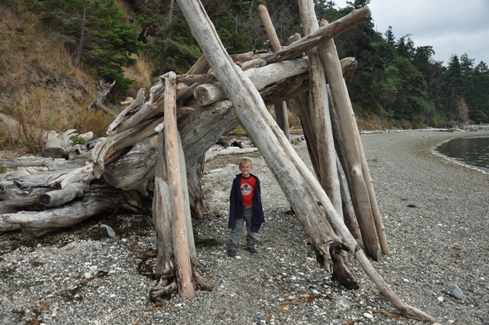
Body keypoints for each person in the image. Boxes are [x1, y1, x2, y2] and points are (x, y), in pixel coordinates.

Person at [227, 157, 265, 257]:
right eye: (243, 167)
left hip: (251, 208)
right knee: (237, 228)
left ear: (251, 168)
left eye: (247, 167)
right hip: (239, 208)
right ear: (240, 168)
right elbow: (233, 195)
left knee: (251, 227)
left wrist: (258, 207)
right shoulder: (237, 180)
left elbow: (257, 194)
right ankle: (233, 247)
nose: (245, 169)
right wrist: (234, 208)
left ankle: (251, 245)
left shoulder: (255, 180)